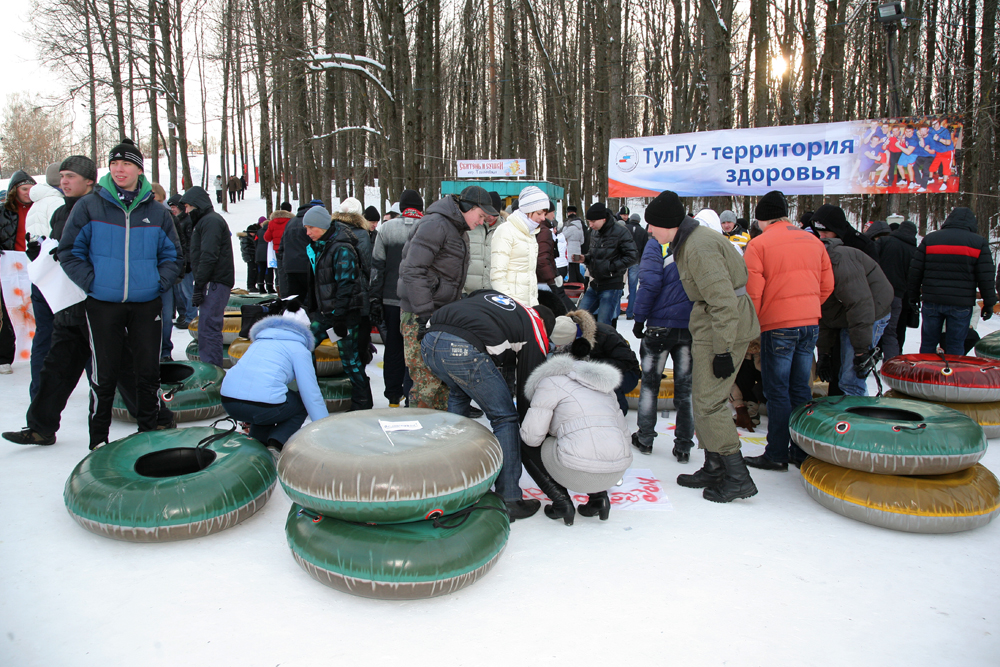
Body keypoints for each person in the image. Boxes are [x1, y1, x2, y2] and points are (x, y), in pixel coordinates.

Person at [58, 139, 182, 449]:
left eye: (126, 163)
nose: (119, 169)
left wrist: (157, 283)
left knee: (147, 373)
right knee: (104, 376)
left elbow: (174, 256)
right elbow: (70, 251)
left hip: (146, 303)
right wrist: (93, 283)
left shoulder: (157, 212)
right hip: (103, 304)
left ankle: (149, 436)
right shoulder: (90, 206)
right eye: (114, 163)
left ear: (139, 170)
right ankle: (98, 441)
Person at [644, 190, 760, 503]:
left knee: (709, 401)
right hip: (712, 325)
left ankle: (737, 476)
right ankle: (714, 465)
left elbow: (723, 302)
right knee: (703, 397)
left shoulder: (699, 247)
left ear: (668, 224)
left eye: (652, 225)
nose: (649, 231)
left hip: (723, 328)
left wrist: (722, 350)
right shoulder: (689, 242)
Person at [421, 290, 554, 520]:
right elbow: (529, 386)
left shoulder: (506, 303)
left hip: (429, 339)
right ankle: (510, 497)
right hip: (462, 347)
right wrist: (528, 428)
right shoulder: (535, 326)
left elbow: (476, 294)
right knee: (505, 418)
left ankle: (456, 482)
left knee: (459, 392)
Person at [742, 190, 834, 472]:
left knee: (777, 390)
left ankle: (777, 452)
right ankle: (800, 450)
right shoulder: (813, 241)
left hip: (778, 325)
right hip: (809, 324)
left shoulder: (758, 245)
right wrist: (806, 308)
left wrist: (752, 324)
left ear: (761, 219)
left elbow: (753, 293)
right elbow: (827, 284)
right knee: (800, 389)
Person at [398, 185, 497, 410]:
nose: (482, 221)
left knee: (442, 380)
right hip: (419, 315)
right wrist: (425, 314)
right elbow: (413, 271)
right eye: (481, 215)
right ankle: (420, 438)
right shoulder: (435, 225)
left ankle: (439, 436)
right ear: (467, 207)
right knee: (426, 383)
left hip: (439, 314)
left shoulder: (458, 230)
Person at [520, 336, 633, 525]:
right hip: (615, 472)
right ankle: (599, 499)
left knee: (525, 441)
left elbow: (531, 438)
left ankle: (561, 502)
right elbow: (625, 435)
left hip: (576, 471)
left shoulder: (551, 382)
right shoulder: (605, 387)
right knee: (594, 438)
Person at [630, 218, 694, 462]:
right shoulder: (692, 245)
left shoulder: (655, 245)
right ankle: (684, 446)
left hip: (659, 326)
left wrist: (639, 318)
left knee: (649, 385)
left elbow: (649, 283)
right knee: (685, 389)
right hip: (688, 326)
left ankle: (645, 438)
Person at [812, 205, 894, 396]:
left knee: (851, 379)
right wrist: (824, 354)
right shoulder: (818, 265)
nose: (822, 236)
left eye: (826, 231)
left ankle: (858, 422)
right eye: (818, 232)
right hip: (848, 313)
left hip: (870, 311)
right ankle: (844, 412)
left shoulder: (841, 260)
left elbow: (860, 305)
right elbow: (826, 313)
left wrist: (861, 351)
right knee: (841, 375)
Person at [220, 307, 327, 453]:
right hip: (262, 404)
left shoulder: (259, 342)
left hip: (228, 400)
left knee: (270, 402)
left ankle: (257, 444)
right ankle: (277, 443)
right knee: (299, 404)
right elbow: (310, 393)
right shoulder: (298, 349)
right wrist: (325, 429)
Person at [304, 206, 373, 411]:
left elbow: (347, 284)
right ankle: (311, 391)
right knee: (304, 346)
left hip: (343, 315)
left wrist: (340, 318)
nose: (308, 232)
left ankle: (362, 401)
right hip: (325, 313)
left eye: (311, 228)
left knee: (349, 359)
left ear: (323, 226)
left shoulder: (342, 248)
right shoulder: (321, 246)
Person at [907, 207, 996, 355]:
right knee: (955, 345)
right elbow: (985, 276)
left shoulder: (931, 239)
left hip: (932, 300)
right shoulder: (978, 242)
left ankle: (925, 375)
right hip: (961, 303)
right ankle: (952, 375)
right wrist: (989, 303)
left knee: (928, 343)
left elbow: (915, 271)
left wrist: (913, 295)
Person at [371, 189, 423, 406]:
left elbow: (377, 268)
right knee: (417, 349)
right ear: (420, 207)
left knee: (393, 348)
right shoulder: (428, 227)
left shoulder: (386, 229)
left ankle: (393, 396)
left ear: (401, 208)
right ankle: (413, 393)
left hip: (391, 299)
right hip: (419, 301)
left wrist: (375, 298)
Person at [182, 186, 235, 368]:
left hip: (215, 282)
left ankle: (212, 374)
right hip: (212, 281)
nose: (187, 211)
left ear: (197, 204)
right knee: (206, 328)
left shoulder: (210, 221)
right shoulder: (205, 221)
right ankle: (211, 370)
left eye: (188, 207)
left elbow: (208, 255)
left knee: (209, 328)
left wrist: (199, 285)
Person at [552, 309, 639, 415]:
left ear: (573, 338)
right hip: (588, 369)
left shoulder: (604, 334)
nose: (560, 347)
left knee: (600, 380)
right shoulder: (562, 330)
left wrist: (590, 365)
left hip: (626, 374)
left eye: (563, 344)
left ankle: (617, 414)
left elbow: (626, 362)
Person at [24, 167, 64, 394]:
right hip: (56, 274)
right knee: (75, 333)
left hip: (40, 275)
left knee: (43, 334)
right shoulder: (57, 203)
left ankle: (38, 389)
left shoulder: (36, 203)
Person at [575, 203, 638, 327]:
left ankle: (606, 345)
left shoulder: (620, 231)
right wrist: (585, 258)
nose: (590, 225)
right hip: (595, 283)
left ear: (603, 219)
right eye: (588, 221)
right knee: (577, 317)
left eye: (593, 221)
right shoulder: (594, 232)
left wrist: (611, 267)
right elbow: (594, 255)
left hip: (612, 284)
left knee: (604, 324)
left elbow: (632, 257)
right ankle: (581, 344)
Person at [0, 170, 36, 374]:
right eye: (24, 189)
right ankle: (4, 356)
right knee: (9, 310)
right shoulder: (3, 211)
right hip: (8, 267)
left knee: (32, 309)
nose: (28, 193)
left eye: (31, 189)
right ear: (15, 190)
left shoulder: (39, 209)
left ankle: (34, 351)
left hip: (31, 263)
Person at [491, 185, 544, 306]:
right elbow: (497, 275)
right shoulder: (505, 231)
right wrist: (507, 305)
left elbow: (529, 274)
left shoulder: (530, 233)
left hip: (529, 303)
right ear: (527, 210)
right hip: (512, 306)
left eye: (544, 213)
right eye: (539, 213)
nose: (543, 218)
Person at [874, 220, 918, 361]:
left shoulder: (884, 241)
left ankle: (867, 361)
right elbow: (913, 276)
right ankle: (891, 363)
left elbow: (872, 260)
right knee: (891, 332)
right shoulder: (914, 251)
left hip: (877, 291)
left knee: (871, 328)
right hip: (898, 295)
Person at [463, 191, 503, 295]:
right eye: (487, 213)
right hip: (469, 290)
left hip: (494, 291)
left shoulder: (505, 229)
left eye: (494, 214)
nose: (490, 217)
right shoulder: (469, 227)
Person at [277, 201, 315, 299]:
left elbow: (281, 246)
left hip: (290, 265)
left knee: (295, 299)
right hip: (307, 265)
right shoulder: (310, 223)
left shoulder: (290, 222)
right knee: (310, 298)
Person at [166, 194, 195, 326]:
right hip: (178, 262)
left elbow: (189, 244)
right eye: (171, 207)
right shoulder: (175, 221)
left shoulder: (187, 221)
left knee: (188, 292)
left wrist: (188, 262)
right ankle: (184, 315)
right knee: (179, 292)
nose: (173, 209)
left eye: (174, 207)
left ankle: (191, 317)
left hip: (186, 263)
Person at [264, 204, 293, 295]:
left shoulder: (272, 222)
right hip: (289, 250)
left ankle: (282, 294)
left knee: (280, 273)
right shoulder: (291, 221)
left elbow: (267, 237)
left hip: (277, 251)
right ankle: (291, 293)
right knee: (291, 272)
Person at [623, 213, 647, 319]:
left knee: (618, 286)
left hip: (623, 261)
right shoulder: (643, 232)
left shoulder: (624, 229)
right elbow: (645, 248)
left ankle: (614, 312)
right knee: (633, 288)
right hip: (636, 261)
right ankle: (630, 312)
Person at [237, 218, 264, 292]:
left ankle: (253, 285)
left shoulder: (249, 238)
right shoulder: (246, 238)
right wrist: (255, 250)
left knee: (255, 271)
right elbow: (246, 249)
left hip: (252, 257)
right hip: (250, 257)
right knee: (251, 272)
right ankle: (251, 286)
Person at [563, 206, 586, 286]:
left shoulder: (569, 227)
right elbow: (582, 241)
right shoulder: (580, 227)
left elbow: (563, 235)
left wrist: (565, 227)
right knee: (576, 268)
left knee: (572, 268)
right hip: (577, 250)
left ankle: (573, 284)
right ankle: (582, 282)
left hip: (570, 250)